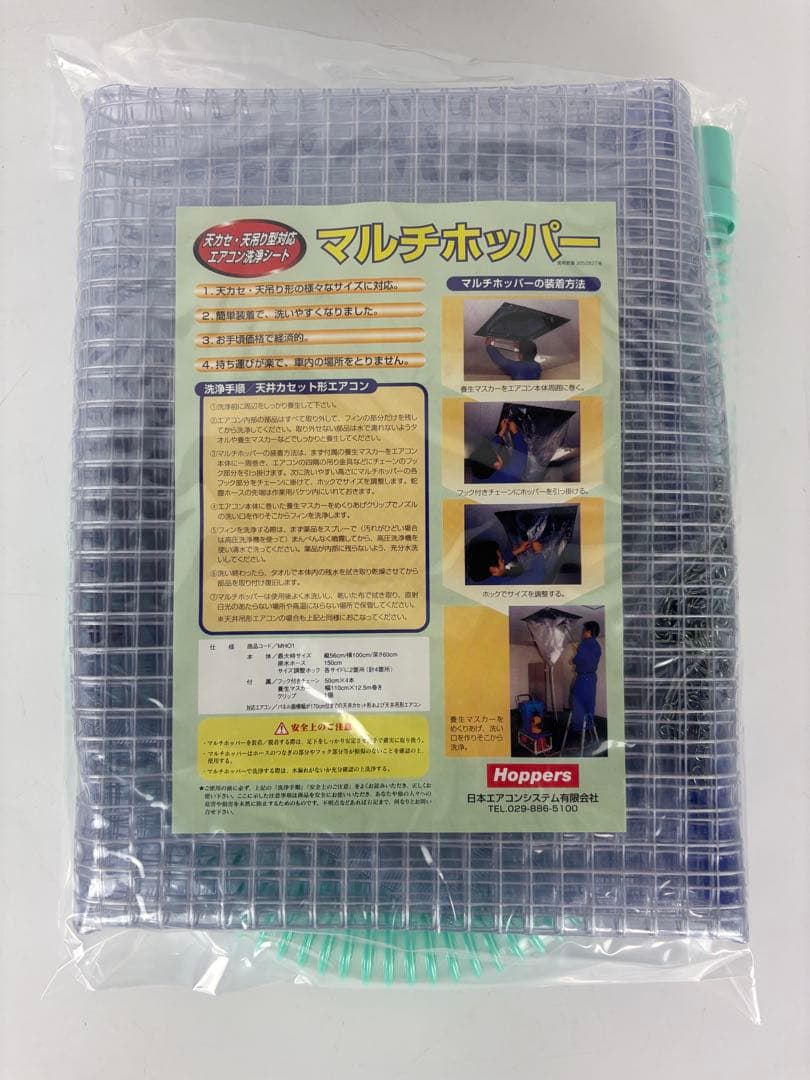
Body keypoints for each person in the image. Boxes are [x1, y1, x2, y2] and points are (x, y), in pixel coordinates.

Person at [468, 415, 529, 483]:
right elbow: (521, 458)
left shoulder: (478, 472)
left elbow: (489, 450)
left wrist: (502, 431)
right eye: (497, 454)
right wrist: (515, 432)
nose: (496, 452)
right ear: (497, 465)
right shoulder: (508, 477)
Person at [465, 536, 546, 586]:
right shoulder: (506, 585)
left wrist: (518, 550)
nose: (503, 560)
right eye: (501, 560)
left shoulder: (477, 574)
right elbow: (538, 576)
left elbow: (492, 562)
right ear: (494, 570)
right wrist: (538, 552)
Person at [569, 621, 602, 733]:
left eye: (584, 630)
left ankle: (578, 727)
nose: (583, 632)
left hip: (583, 678)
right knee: (589, 701)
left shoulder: (584, 644)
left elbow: (577, 660)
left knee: (576, 699)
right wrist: (579, 650)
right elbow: (588, 658)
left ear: (589, 631)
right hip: (592, 678)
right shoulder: (597, 645)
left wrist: (574, 658)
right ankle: (589, 725)